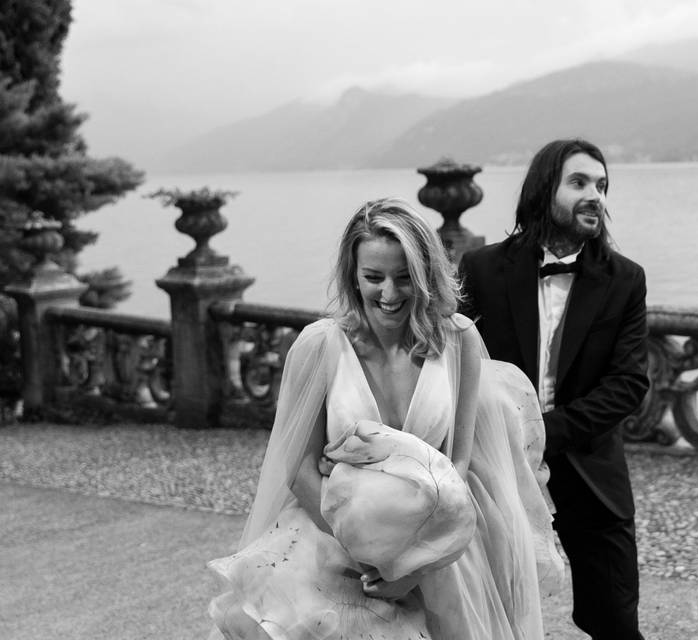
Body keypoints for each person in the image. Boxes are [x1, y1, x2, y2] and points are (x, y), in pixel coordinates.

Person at [206, 198, 563, 640]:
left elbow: (461, 466)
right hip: (332, 543)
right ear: (352, 275)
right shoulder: (319, 347)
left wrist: (415, 564)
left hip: (436, 551)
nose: (389, 295)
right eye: (373, 277)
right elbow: (298, 469)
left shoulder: (459, 341)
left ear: (426, 274)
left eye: (404, 278)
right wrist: (372, 560)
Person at [459, 138, 650, 640]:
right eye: (580, 182)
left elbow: (629, 384)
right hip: (497, 465)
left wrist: (543, 431)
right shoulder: (481, 269)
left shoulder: (626, 280)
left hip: (589, 467)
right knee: (491, 609)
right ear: (545, 191)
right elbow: (455, 362)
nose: (596, 196)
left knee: (615, 620)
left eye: (602, 186)